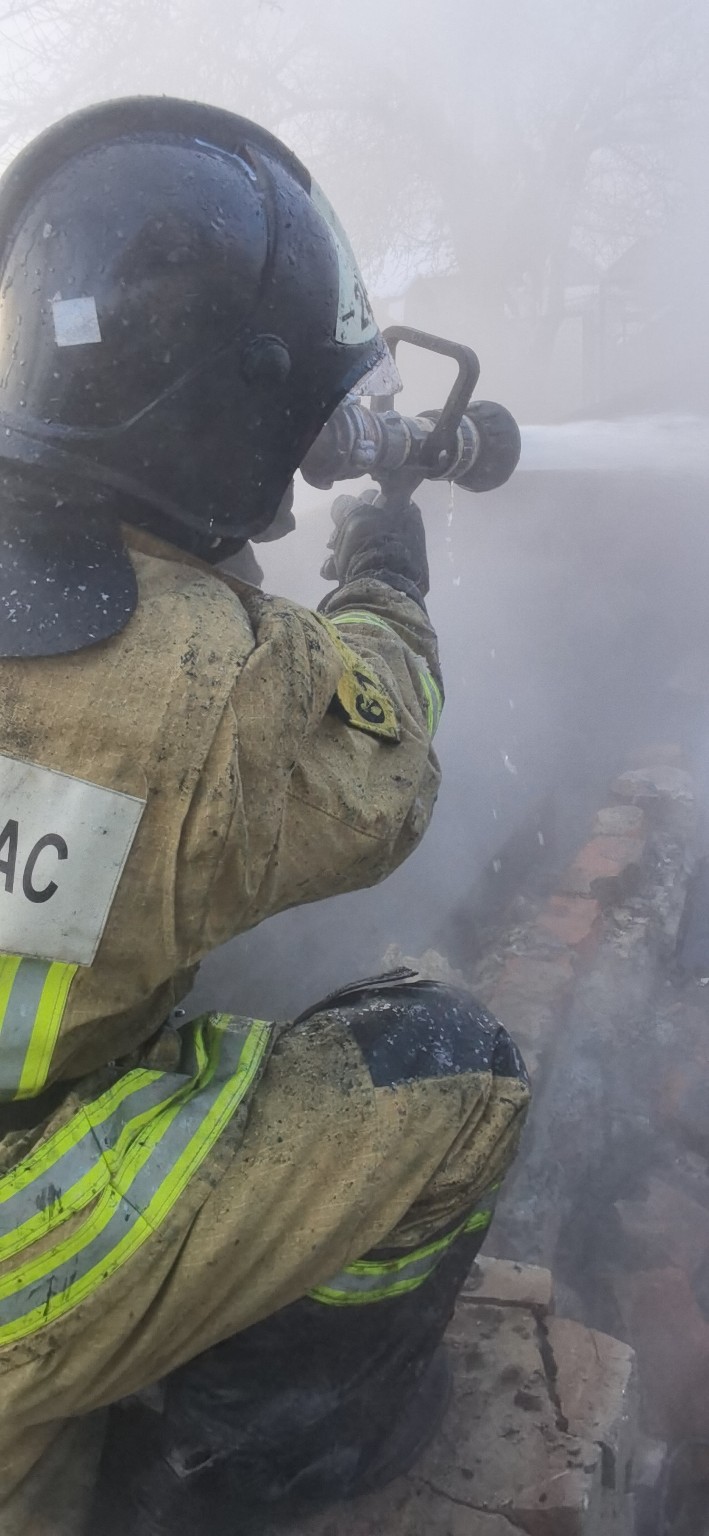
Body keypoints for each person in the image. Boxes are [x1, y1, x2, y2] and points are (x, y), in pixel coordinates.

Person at [0, 97, 530, 1535]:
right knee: (454, 1070)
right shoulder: (208, 686)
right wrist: (383, 566)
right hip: (11, 1267)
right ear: (222, 407)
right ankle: (254, 1460)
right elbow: (381, 763)